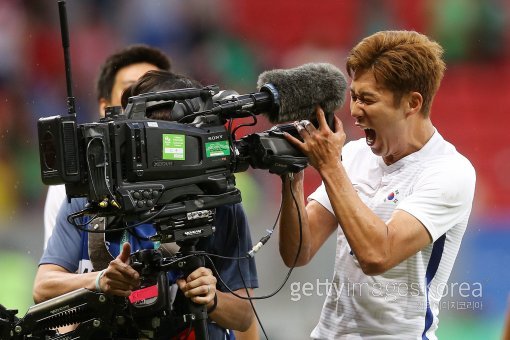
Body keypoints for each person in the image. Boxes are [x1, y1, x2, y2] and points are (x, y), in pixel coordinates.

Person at [279, 30, 476, 339]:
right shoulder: (354, 155)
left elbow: (377, 255)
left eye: (367, 99)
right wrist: (292, 175)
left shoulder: (450, 172)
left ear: (412, 102)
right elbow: (297, 253)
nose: (355, 111)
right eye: (354, 96)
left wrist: (330, 167)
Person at [33, 70, 258, 339]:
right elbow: (43, 287)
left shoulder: (220, 201)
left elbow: (244, 316)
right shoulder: (93, 198)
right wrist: (100, 281)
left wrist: (213, 299)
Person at [43, 44, 171, 249]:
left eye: (155, 92)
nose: (143, 102)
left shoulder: (196, 172)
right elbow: (55, 274)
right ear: (105, 107)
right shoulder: (72, 183)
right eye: (130, 92)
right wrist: (103, 280)